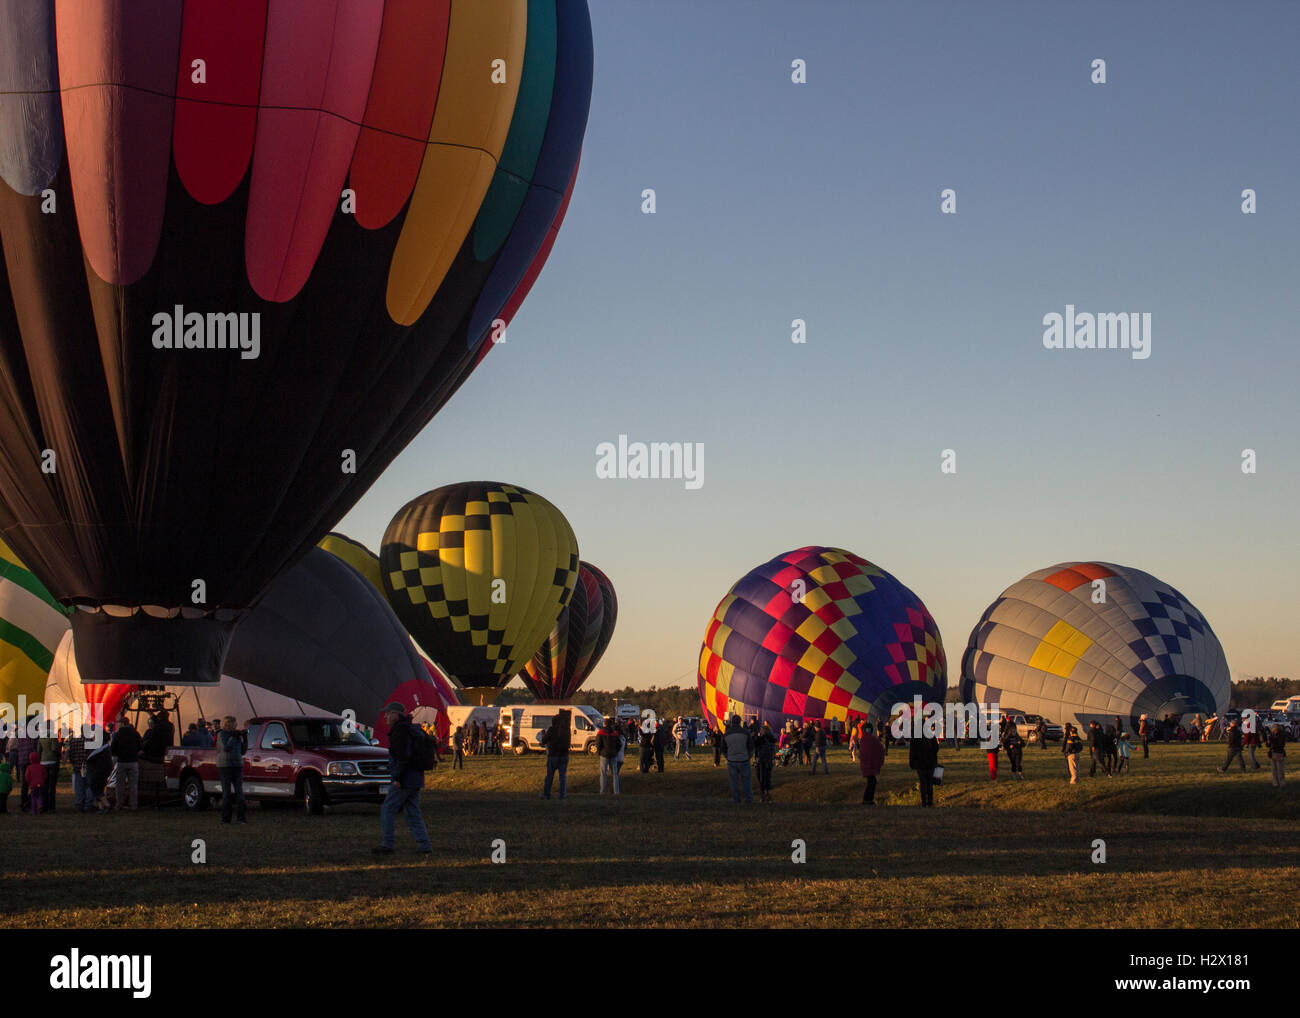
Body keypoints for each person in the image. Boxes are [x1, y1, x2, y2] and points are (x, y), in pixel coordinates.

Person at [374, 703, 433, 855]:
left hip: (405, 779)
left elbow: (403, 756)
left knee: (387, 809)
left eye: (387, 714)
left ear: (395, 714)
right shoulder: (412, 730)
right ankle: (425, 846)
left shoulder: (400, 732)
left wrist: (398, 777)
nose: (385, 717)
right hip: (416, 778)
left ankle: (388, 845)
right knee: (413, 812)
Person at [216, 716, 247, 824]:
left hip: (237, 765)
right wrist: (234, 737)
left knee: (239, 792)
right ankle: (226, 819)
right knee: (226, 793)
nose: (235, 726)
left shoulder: (236, 735)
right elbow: (226, 748)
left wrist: (244, 738)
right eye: (234, 724)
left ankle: (241, 818)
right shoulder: (221, 735)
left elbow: (243, 751)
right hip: (225, 766)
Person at [110, 717, 142, 811]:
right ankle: (134, 805)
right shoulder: (135, 733)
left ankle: (119, 804)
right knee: (133, 786)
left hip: (122, 762)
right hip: (133, 762)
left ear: (123, 724)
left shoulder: (118, 735)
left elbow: (113, 749)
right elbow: (141, 747)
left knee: (120, 785)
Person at [538, 710, 570, 800]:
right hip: (564, 755)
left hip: (553, 755)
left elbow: (544, 741)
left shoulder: (551, 730)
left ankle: (547, 794)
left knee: (549, 776)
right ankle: (562, 795)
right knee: (562, 777)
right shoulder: (566, 730)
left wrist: (544, 735)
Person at [723, 715, 754, 803]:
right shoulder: (745, 732)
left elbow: (723, 748)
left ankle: (736, 800)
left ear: (732, 722)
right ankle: (749, 800)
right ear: (740, 721)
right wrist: (748, 756)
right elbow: (751, 747)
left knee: (734, 782)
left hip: (732, 760)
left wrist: (728, 757)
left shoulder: (727, 733)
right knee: (746, 781)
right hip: (744, 759)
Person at [909, 730, 938, 807]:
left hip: (920, 763)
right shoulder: (931, 734)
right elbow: (936, 748)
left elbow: (912, 751)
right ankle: (930, 801)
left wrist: (912, 762)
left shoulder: (915, 736)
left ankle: (924, 802)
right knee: (929, 782)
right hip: (930, 762)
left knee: (923, 782)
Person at [66, 725, 92, 812]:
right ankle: (88, 805)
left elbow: (70, 754)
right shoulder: (90, 741)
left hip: (77, 767)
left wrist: (74, 762)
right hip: (87, 766)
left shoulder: (73, 741)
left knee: (79, 787)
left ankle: (79, 804)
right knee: (88, 786)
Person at [37, 722, 61, 812]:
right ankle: (51, 807)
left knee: (44, 786)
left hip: (43, 762)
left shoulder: (41, 737)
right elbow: (55, 749)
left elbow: (38, 750)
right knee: (52, 786)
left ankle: (44, 805)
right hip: (52, 762)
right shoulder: (53, 736)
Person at [859, 723, 885, 804]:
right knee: (872, 782)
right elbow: (879, 749)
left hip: (865, 764)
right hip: (870, 765)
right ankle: (867, 799)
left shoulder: (863, 739)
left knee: (871, 781)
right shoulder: (872, 739)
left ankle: (867, 799)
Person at [596, 716, 622, 795]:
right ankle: (616, 791)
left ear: (604, 724)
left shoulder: (600, 732)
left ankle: (602, 790)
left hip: (604, 754)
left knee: (603, 773)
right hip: (613, 754)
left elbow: (598, 743)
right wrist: (616, 751)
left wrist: (599, 751)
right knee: (615, 774)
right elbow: (619, 744)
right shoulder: (614, 733)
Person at [85, 741, 113, 813]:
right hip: (105, 769)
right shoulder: (106, 749)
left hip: (100, 769)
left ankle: (106, 805)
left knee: (95, 787)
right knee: (99, 787)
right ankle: (101, 807)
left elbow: (90, 758)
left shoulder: (99, 749)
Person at [754, 721, 777, 802]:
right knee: (767, 777)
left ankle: (763, 794)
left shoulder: (762, 739)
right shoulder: (772, 740)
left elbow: (755, 745)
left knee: (761, 777)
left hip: (762, 760)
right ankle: (768, 794)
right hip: (769, 760)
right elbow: (774, 749)